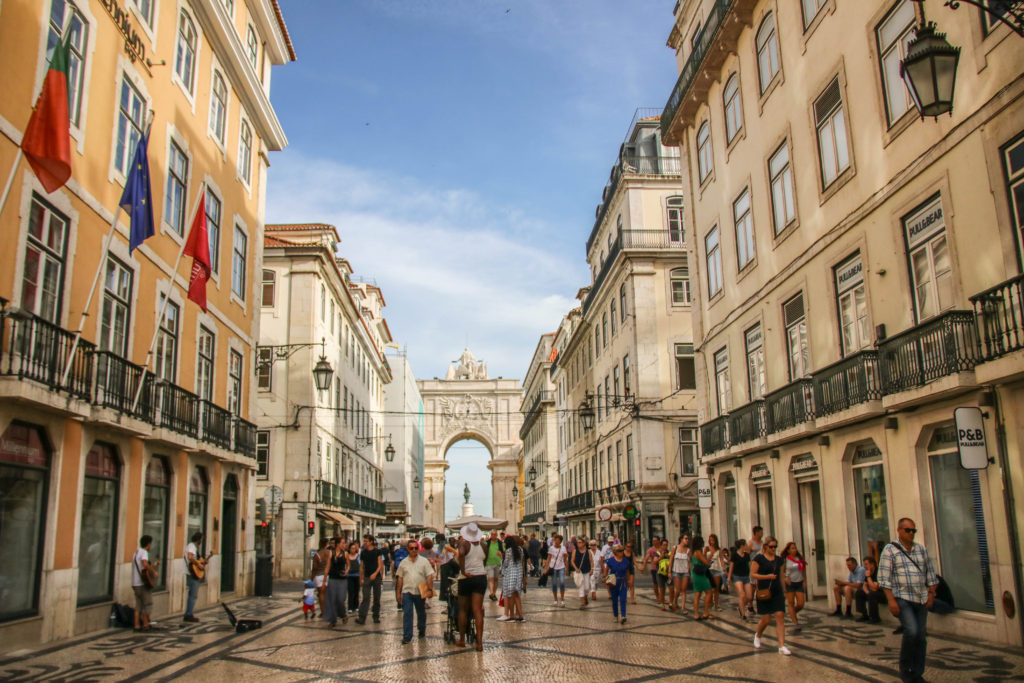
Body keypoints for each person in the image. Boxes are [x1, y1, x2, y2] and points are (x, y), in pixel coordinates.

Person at [879, 517, 939, 683]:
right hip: (902, 598)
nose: (911, 533)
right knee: (911, 631)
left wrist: (931, 594)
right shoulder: (889, 550)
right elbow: (884, 578)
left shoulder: (921, 550)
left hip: (921, 598)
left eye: (913, 530)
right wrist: (891, 600)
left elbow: (931, 574)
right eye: (908, 530)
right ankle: (905, 669)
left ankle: (917, 672)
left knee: (920, 636)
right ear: (899, 530)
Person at [751, 536, 791, 655]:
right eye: (771, 546)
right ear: (765, 546)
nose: (773, 549)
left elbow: (782, 575)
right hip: (764, 591)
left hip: (777, 591)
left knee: (780, 616)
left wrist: (785, 591)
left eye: (775, 547)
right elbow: (753, 574)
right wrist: (767, 577)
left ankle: (781, 645)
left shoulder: (779, 560)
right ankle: (758, 635)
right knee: (766, 620)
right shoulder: (758, 559)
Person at [455, 522, 488, 651]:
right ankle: (479, 643)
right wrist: (479, 569)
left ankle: (462, 640)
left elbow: (461, 554)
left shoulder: (464, 544)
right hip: (480, 577)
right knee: (477, 610)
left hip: (466, 578)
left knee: (463, 609)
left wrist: (463, 570)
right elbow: (484, 560)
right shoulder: (484, 546)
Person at [396, 539, 434, 644]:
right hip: (407, 591)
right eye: (411, 548)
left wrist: (430, 589)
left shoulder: (424, 561)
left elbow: (429, 575)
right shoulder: (403, 562)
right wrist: (398, 593)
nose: (414, 550)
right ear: (408, 549)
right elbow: (400, 578)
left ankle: (421, 629)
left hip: (420, 590)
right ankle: (407, 636)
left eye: (416, 548)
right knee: (407, 613)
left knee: (421, 612)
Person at [356, 536, 384, 625]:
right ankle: (362, 617)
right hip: (367, 577)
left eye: (367, 541)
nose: (365, 542)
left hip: (376, 577)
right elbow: (361, 566)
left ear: (371, 542)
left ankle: (376, 616)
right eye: (364, 541)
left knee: (377, 597)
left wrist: (376, 574)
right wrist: (361, 578)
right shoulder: (363, 553)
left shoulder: (377, 551)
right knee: (366, 597)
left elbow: (380, 564)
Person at [131, 535, 156, 631]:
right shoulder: (144, 552)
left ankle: (136, 625)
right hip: (142, 584)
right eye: (150, 544)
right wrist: (153, 571)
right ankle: (145, 624)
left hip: (134, 583)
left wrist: (153, 565)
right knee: (148, 604)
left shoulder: (136, 553)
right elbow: (145, 564)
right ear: (148, 544)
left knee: (138, 606)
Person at [498, 536, 526, 622]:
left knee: (509, 596)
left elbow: (506, 564)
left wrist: (502, 558)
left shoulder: (508, 551)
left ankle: (511, 616)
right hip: (518, 574)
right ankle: (520, 615)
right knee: (517, 595)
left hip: (510, 574)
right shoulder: (520, 550)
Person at [781, 541, 806, 633]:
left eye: (795, 548)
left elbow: (803, 570)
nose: (794, 550)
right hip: (790, 583)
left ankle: (792, 613)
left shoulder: (799, 558)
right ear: (788, 550)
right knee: (790, 603)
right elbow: (781, 572)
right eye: (792, 548)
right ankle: (795, 623)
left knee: (800, 603)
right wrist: (785, 578)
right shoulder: (785, 560)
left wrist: (805, 580)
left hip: (799, 582)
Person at [323, 539, 349, 627]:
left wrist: (346, 571)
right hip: (333, 578)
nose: (344, 544)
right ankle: (332, 620)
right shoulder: (331, 553)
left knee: (340, 599)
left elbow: (348, 565)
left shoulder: (345, 554)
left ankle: (343, 614)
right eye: (342, 543)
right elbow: (327, 567)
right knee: (332, 600)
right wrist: (324, 580)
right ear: (338, 544)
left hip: (342, 579)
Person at [602, 544, 631, 624]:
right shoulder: (611, 560)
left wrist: (629, 581)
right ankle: (615, 616)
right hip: (613, 582)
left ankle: (623, 616)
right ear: (615, 552)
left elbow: (627, 572)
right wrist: (604, 577)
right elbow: (606, 569)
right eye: (619, 551)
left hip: (623, 582)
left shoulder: (625, 561)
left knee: (623, 599)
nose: (621, 552)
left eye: (622, 551)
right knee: (614, 600)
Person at [728, 538, 753, 621]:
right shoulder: (734, 555)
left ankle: (741, 606)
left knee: (749, 596)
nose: (747, 546)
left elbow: (750, 565)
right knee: (742, 595)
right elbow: (731, 566)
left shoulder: (747, 555)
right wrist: (729, 577)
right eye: (745, 545)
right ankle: (743, 614)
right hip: (737, 576)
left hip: (746, 576)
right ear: (742, 546)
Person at [690, 535, 714, 620]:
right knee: (709, 592)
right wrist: (711, 553)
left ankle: (696, 614)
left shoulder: (694, 552)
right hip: (700, 575)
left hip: (695, 574)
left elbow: (700, 559)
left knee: (698, 594)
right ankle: (705, 612)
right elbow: (706, 562)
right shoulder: (698, 552)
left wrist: (705, 552)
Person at [183, 532, 205, 623]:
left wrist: (202, 562)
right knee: (193, 595)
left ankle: (189, 613)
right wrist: (199, 564)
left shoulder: (193, 547)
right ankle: (189, 614)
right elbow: (190, 557)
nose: (202, 541)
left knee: (192, 595)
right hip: (192, 573)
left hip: (192, 573)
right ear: (199, 539)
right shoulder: (192, 546)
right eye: (201, 539)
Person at [856, 556, 885, 623]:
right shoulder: (868, 572)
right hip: (873, 592)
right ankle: (864, 614)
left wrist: (868, 576)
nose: (864, 566)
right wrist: (867, 592)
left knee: (872, 594)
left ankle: (875, 618)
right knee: (860, 592)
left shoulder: (878, 572)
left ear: (872, 564)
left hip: (883, 593)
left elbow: (875, 588)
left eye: (866, 564)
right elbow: (864, 586)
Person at [545, 534, 568, 607]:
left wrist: (567, 568)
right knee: (554, 584)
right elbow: (548, 558)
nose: (557, 542)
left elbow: (565, 559)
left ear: (560, 541)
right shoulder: (551, 548)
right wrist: (546, 568)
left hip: (561, 567)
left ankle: (562, 600)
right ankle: (555, 600)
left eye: (558, 540)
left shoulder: (563, 548)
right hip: (553, 567)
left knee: (562, 582)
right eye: (556, 540)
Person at [669, 535, 691, 613]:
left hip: (685, 572)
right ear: (681, 540)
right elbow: (671, 559)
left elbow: (689, 562)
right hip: (676, 571)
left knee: (684, 590)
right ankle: (675, 600)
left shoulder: (688, 550)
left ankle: (683, 608)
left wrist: (690, 572)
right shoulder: (675, 548)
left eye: (687, 539)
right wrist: (669, 571)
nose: (687, 540)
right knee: (678, 590)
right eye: (685, 539)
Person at [569, 538, 593, 609]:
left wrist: (592, 569)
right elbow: (572, 561)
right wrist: (576, 568)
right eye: (578, 542)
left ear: (584, 543)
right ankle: (582, 603)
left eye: (580, 542)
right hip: (579, 572)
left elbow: (591, 561)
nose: (578, 544)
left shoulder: (588, 552)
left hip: (587, 571)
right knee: (581, 587)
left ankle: (585, 597)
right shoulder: (575, 551)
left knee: (587, 587)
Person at [311, 538, 331, 618]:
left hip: (319, 576)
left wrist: (311, 578)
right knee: (328, 594)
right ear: (327, 544)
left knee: (321, 594)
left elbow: (314, 568)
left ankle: (323, 612)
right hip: (328, 576)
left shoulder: (317, 555)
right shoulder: (330, 553)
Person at [706, 534, 725, 611]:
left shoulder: (718, 549)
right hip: (709, 569)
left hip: (717, 569)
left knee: (716, 588)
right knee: (709, 588)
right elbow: (704, 557)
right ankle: (709, 603)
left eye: (713, 540)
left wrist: (724, 568)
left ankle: (716, 604)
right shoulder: (707, 548)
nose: (711, 541)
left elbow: (721, 559)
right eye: (710, 540)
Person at [640, 536, 662, 602]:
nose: (654, 542)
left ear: (659, 541)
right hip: (654, 568)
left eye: (655, 540)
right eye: (653, 541)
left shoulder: (662, 549)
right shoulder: (651, 550)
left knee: (661, 583)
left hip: (662, 568)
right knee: (655, 583)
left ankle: (661, 596)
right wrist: (643, 566)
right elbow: (646, 558)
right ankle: (657, 596)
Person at [484, 530, 503, 601]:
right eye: (492, 534)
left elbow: (503, 552)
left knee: (496, 579)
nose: (493, 536)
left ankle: (493, 593)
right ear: (490, 535)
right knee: (490, 578)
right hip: (489, 563)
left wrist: (501, 554)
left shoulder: (500, 543)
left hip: (497, 563)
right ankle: (491, 592)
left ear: (497, 535)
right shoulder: (487, 543)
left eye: (495, 534)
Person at [344, 540, 361, 614]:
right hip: (349, 576)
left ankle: (356, 606)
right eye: (352, 548)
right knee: (350, 592)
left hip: (357, 575)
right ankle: (350, 607)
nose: (353, 550)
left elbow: (361, 566)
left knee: (356, 591)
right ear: (349, 549)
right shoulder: (347, 556)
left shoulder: (358, 556)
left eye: (354, 548)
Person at [392, 540, 409, 610]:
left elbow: (393, 563)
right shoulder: (408, 552)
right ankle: (405, 603)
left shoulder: (396, 552)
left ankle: (399, 604)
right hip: (406, 572)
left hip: (397, 572)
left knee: (398, 588)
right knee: (406, 588)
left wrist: (393, 572)